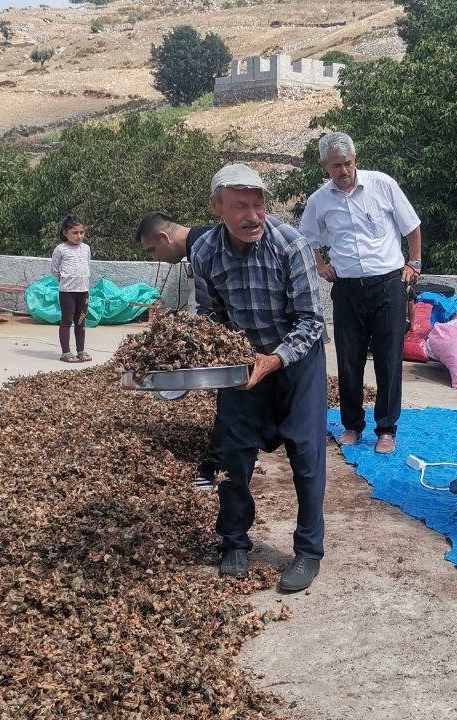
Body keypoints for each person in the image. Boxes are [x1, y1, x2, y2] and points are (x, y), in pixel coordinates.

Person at [138, 165, 327, 592]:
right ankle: (235, 542)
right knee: (234, 455)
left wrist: (272, 360)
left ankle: (308, 550)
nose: (252, 215)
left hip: (296, 359)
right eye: (240, 206)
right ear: (217, 207)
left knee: (306, 453)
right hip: (242, 360)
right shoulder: (204, 252)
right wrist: (199, 355)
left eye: (258, 204)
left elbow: (311, 321)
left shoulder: (291, 246)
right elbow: (211, 316)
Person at [298, 132, 422, 455]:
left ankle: (386, 429)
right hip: (348, 290)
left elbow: (411, 226)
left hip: (388, 286)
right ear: (325, 166)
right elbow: (306, 239)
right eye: (336, 166)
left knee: (389, 359)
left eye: (348, 163)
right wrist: (321, 266)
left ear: (356, 160)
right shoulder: (319, 201)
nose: (344, 171)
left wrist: (415, 263)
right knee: (348, 360)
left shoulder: (382, 185)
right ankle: (352, 426)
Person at [134, 211, 221, 487]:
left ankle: (216, 465)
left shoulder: (203, 247)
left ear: (164, 237)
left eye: (152, 250)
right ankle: (243, 450)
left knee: (235, 403)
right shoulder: (203, 238)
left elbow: (213, 307)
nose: (155, 257)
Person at [51, 214, 92, 363]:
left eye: (81, 232)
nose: (79, 236)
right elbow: (55, 270)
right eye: (74, 233)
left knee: (81, 321)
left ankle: (80, 350)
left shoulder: (86, 249)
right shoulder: (61, 249)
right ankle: (66, 352)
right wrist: (66, 281)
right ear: (65, 233)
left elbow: (87, 265)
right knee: (67, 321)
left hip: (83, 292)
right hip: (67, 292)